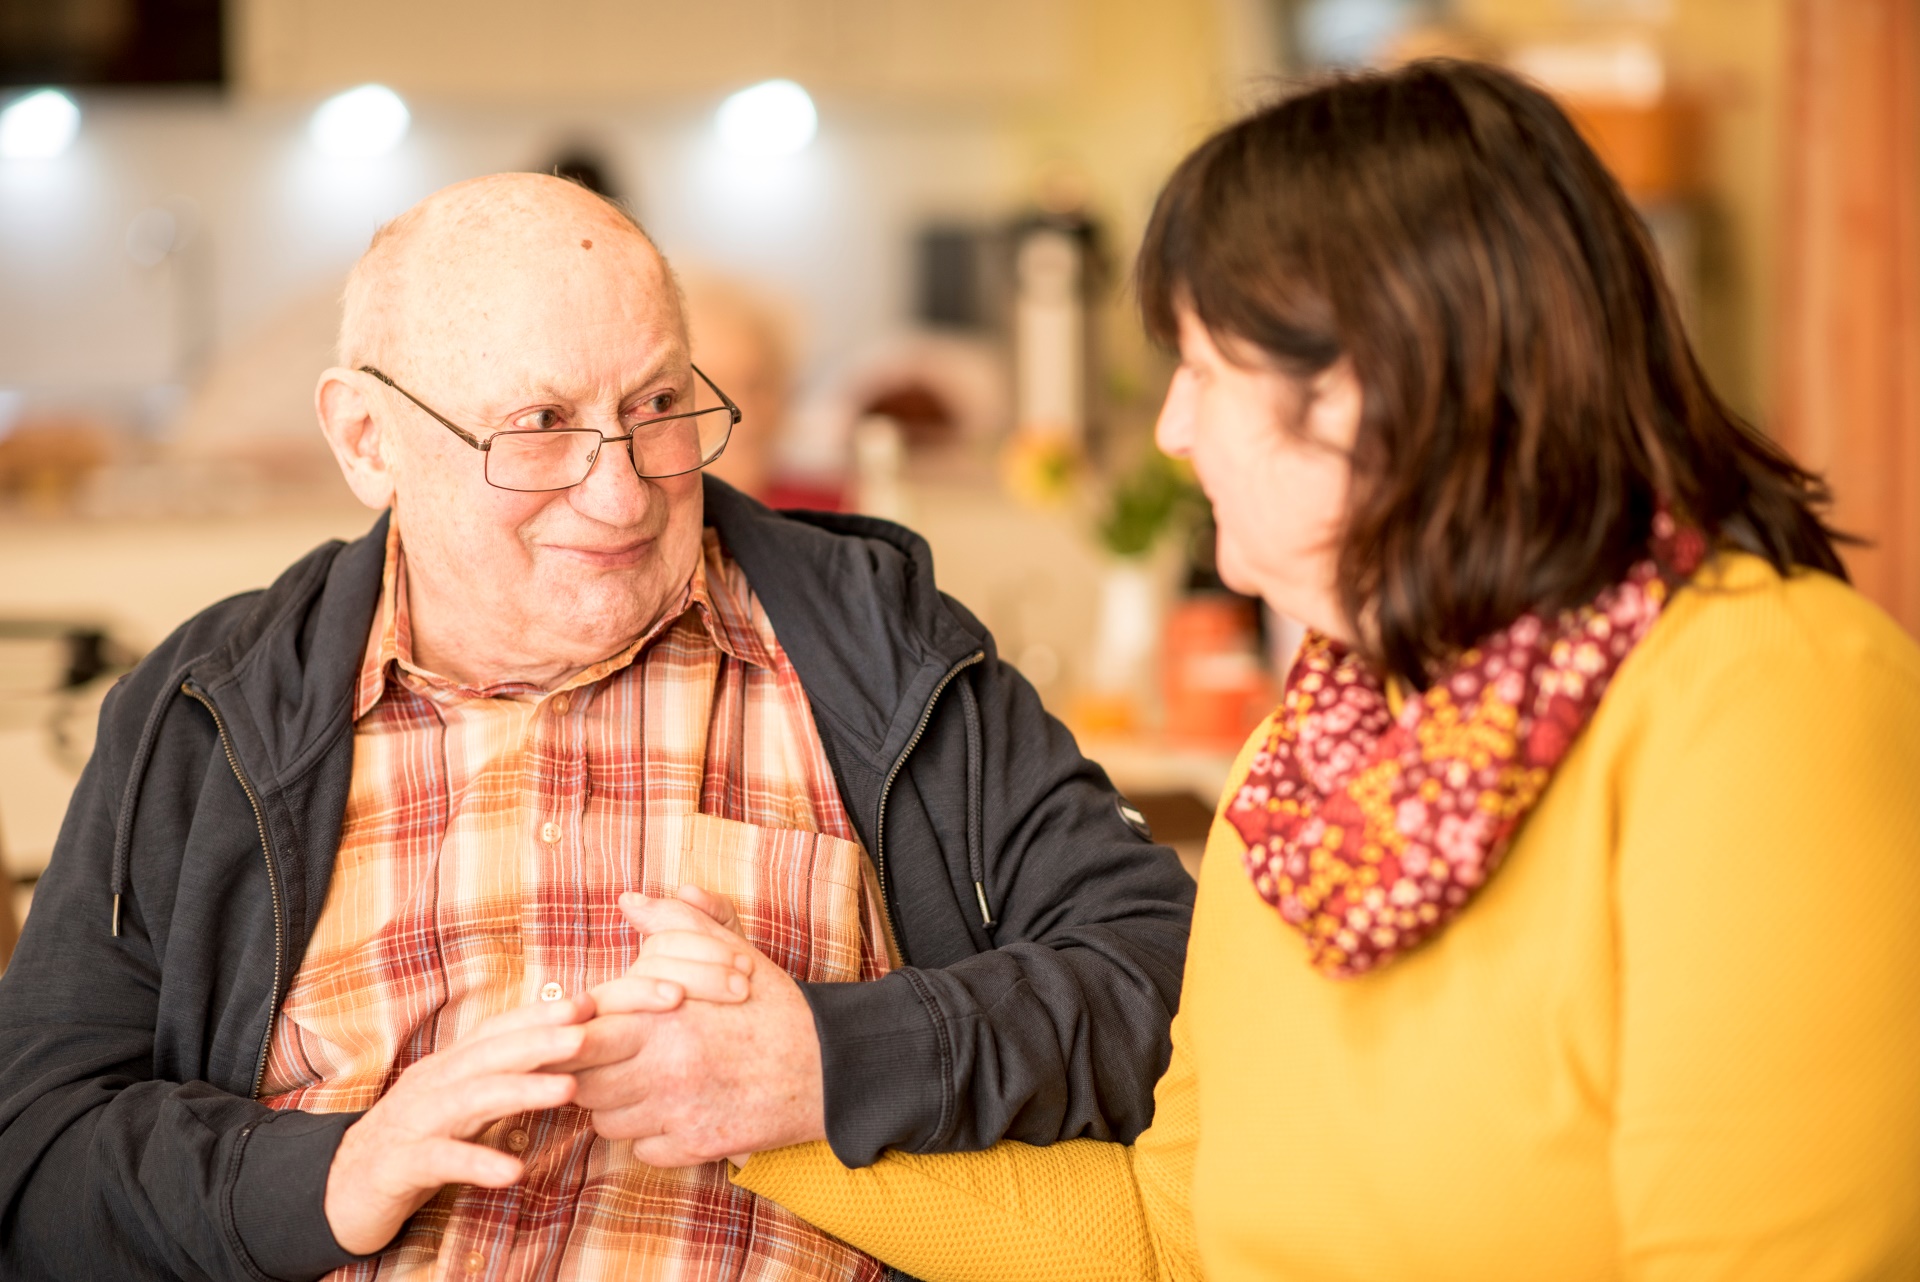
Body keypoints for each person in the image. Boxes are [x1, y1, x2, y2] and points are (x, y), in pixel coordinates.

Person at [632, 61, 1920, 1279]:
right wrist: (760, 1093)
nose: (1172, 429)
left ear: (1373, 392)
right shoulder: (1311, 761)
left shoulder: (1761, 702)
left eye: (1202, 366)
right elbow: (1166, 1234)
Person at [0, 174, 1195, 1281]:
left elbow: (1160, 968)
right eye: (538, 425)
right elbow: (37, 1152)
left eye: (657, 404)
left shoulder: (878, 646)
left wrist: (831, 1059)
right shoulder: (208, 707)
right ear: (368, 441)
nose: (621, 491)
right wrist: (330, 1171)